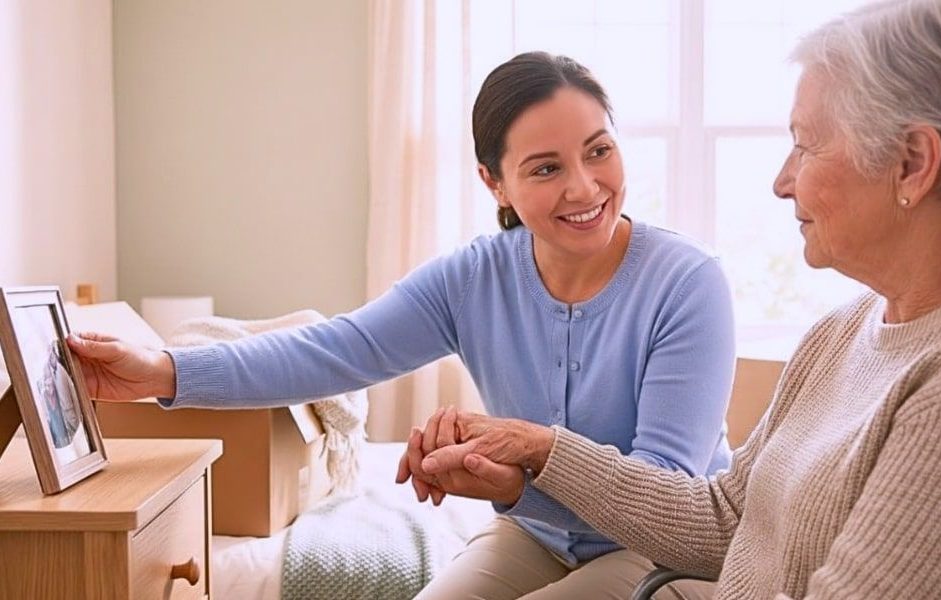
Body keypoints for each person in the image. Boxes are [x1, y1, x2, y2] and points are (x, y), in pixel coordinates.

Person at [68, 52, 736, 598]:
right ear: (494, 182)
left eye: (599, 152)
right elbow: (334, 351)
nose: (586, 187)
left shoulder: (686, 282)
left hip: (652, 551)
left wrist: (522, 468)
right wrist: (163, 369)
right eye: (546, 168)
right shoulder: (474, 278)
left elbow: (664, 499)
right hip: (534, 535)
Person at [411, 1, 941, 598]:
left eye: (806, 146)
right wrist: (539, 449)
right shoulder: (841, 331)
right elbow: (727, 518)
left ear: (912, 165)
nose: (782, 181)